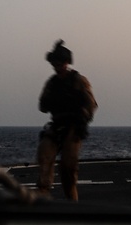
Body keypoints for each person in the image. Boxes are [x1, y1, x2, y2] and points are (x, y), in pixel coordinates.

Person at [36, 40, 98, 200]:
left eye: (60, 63)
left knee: (68, 167)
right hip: (57, 125)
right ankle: (43, 194)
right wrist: (51, 101)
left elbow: (91, 104)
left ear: (66, 63)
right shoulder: (52, 83)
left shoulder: (78, 81)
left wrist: (82, 118)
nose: (57, 67)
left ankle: (71, 203)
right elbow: (42, 106)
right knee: (44, 154)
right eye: (55, 64)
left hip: (73, 127)